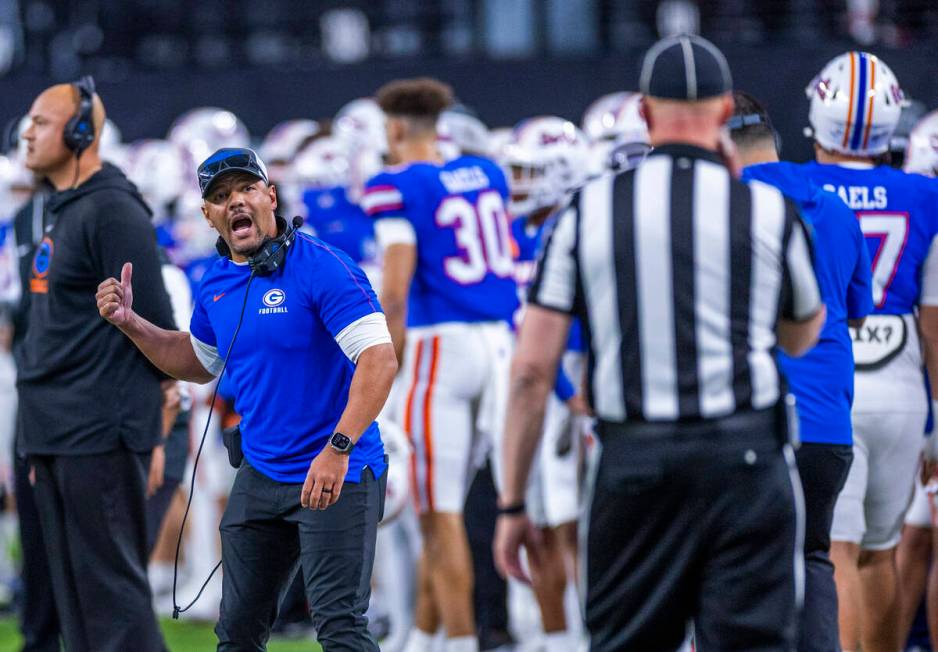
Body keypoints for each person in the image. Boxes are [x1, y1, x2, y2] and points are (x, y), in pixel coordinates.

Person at [494, 34, 826, 651]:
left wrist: (512, 504)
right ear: (726, 111)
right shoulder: (765, 209)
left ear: (645, 113)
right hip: (747, 460)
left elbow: (530, 372)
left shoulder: (586, 212)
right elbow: (803, 334)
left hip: (635, 464)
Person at [95, 146, 397, 650]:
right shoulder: (217, 281)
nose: (235, 201)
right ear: (208, 215)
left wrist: (338, 448)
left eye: (246, 189)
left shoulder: (323, 267)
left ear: (270, 196)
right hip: (261, 473)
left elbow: (380, 360)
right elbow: (196, 360)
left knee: (340, 627)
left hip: (335, 470)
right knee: (236, 633)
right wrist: (132, 324)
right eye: (220, 196)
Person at [362, 77, 518, 652]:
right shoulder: (487, 173)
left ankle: (458, 642)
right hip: (499, 344)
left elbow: (397, 290)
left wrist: (383, 364)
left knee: (436, 512)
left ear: (396, 129)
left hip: (438, 347)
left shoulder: (396, 184)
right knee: (448, 506)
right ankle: (425, 637)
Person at [16, 78, 172, 652]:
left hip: (99, 431)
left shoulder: (112, 210)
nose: (26, 132)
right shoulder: (62, 210)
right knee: (76, 608)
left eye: (40, 122)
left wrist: (156, 431)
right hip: (56, 432)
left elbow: (155, 324)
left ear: (81, 133)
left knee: (114, 603)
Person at [792, 51, 938, 652]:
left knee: (836, 553)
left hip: (830, 380)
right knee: (882, 553)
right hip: (902, 386)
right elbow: (932, 320)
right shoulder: (923, 196)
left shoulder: (792, 185)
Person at [729, 90, 874, 651]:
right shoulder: (834, 208)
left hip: (751, 427)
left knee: (728, 573)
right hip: (827, 428)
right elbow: (856, 316)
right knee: (815, 560)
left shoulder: (724, 208)